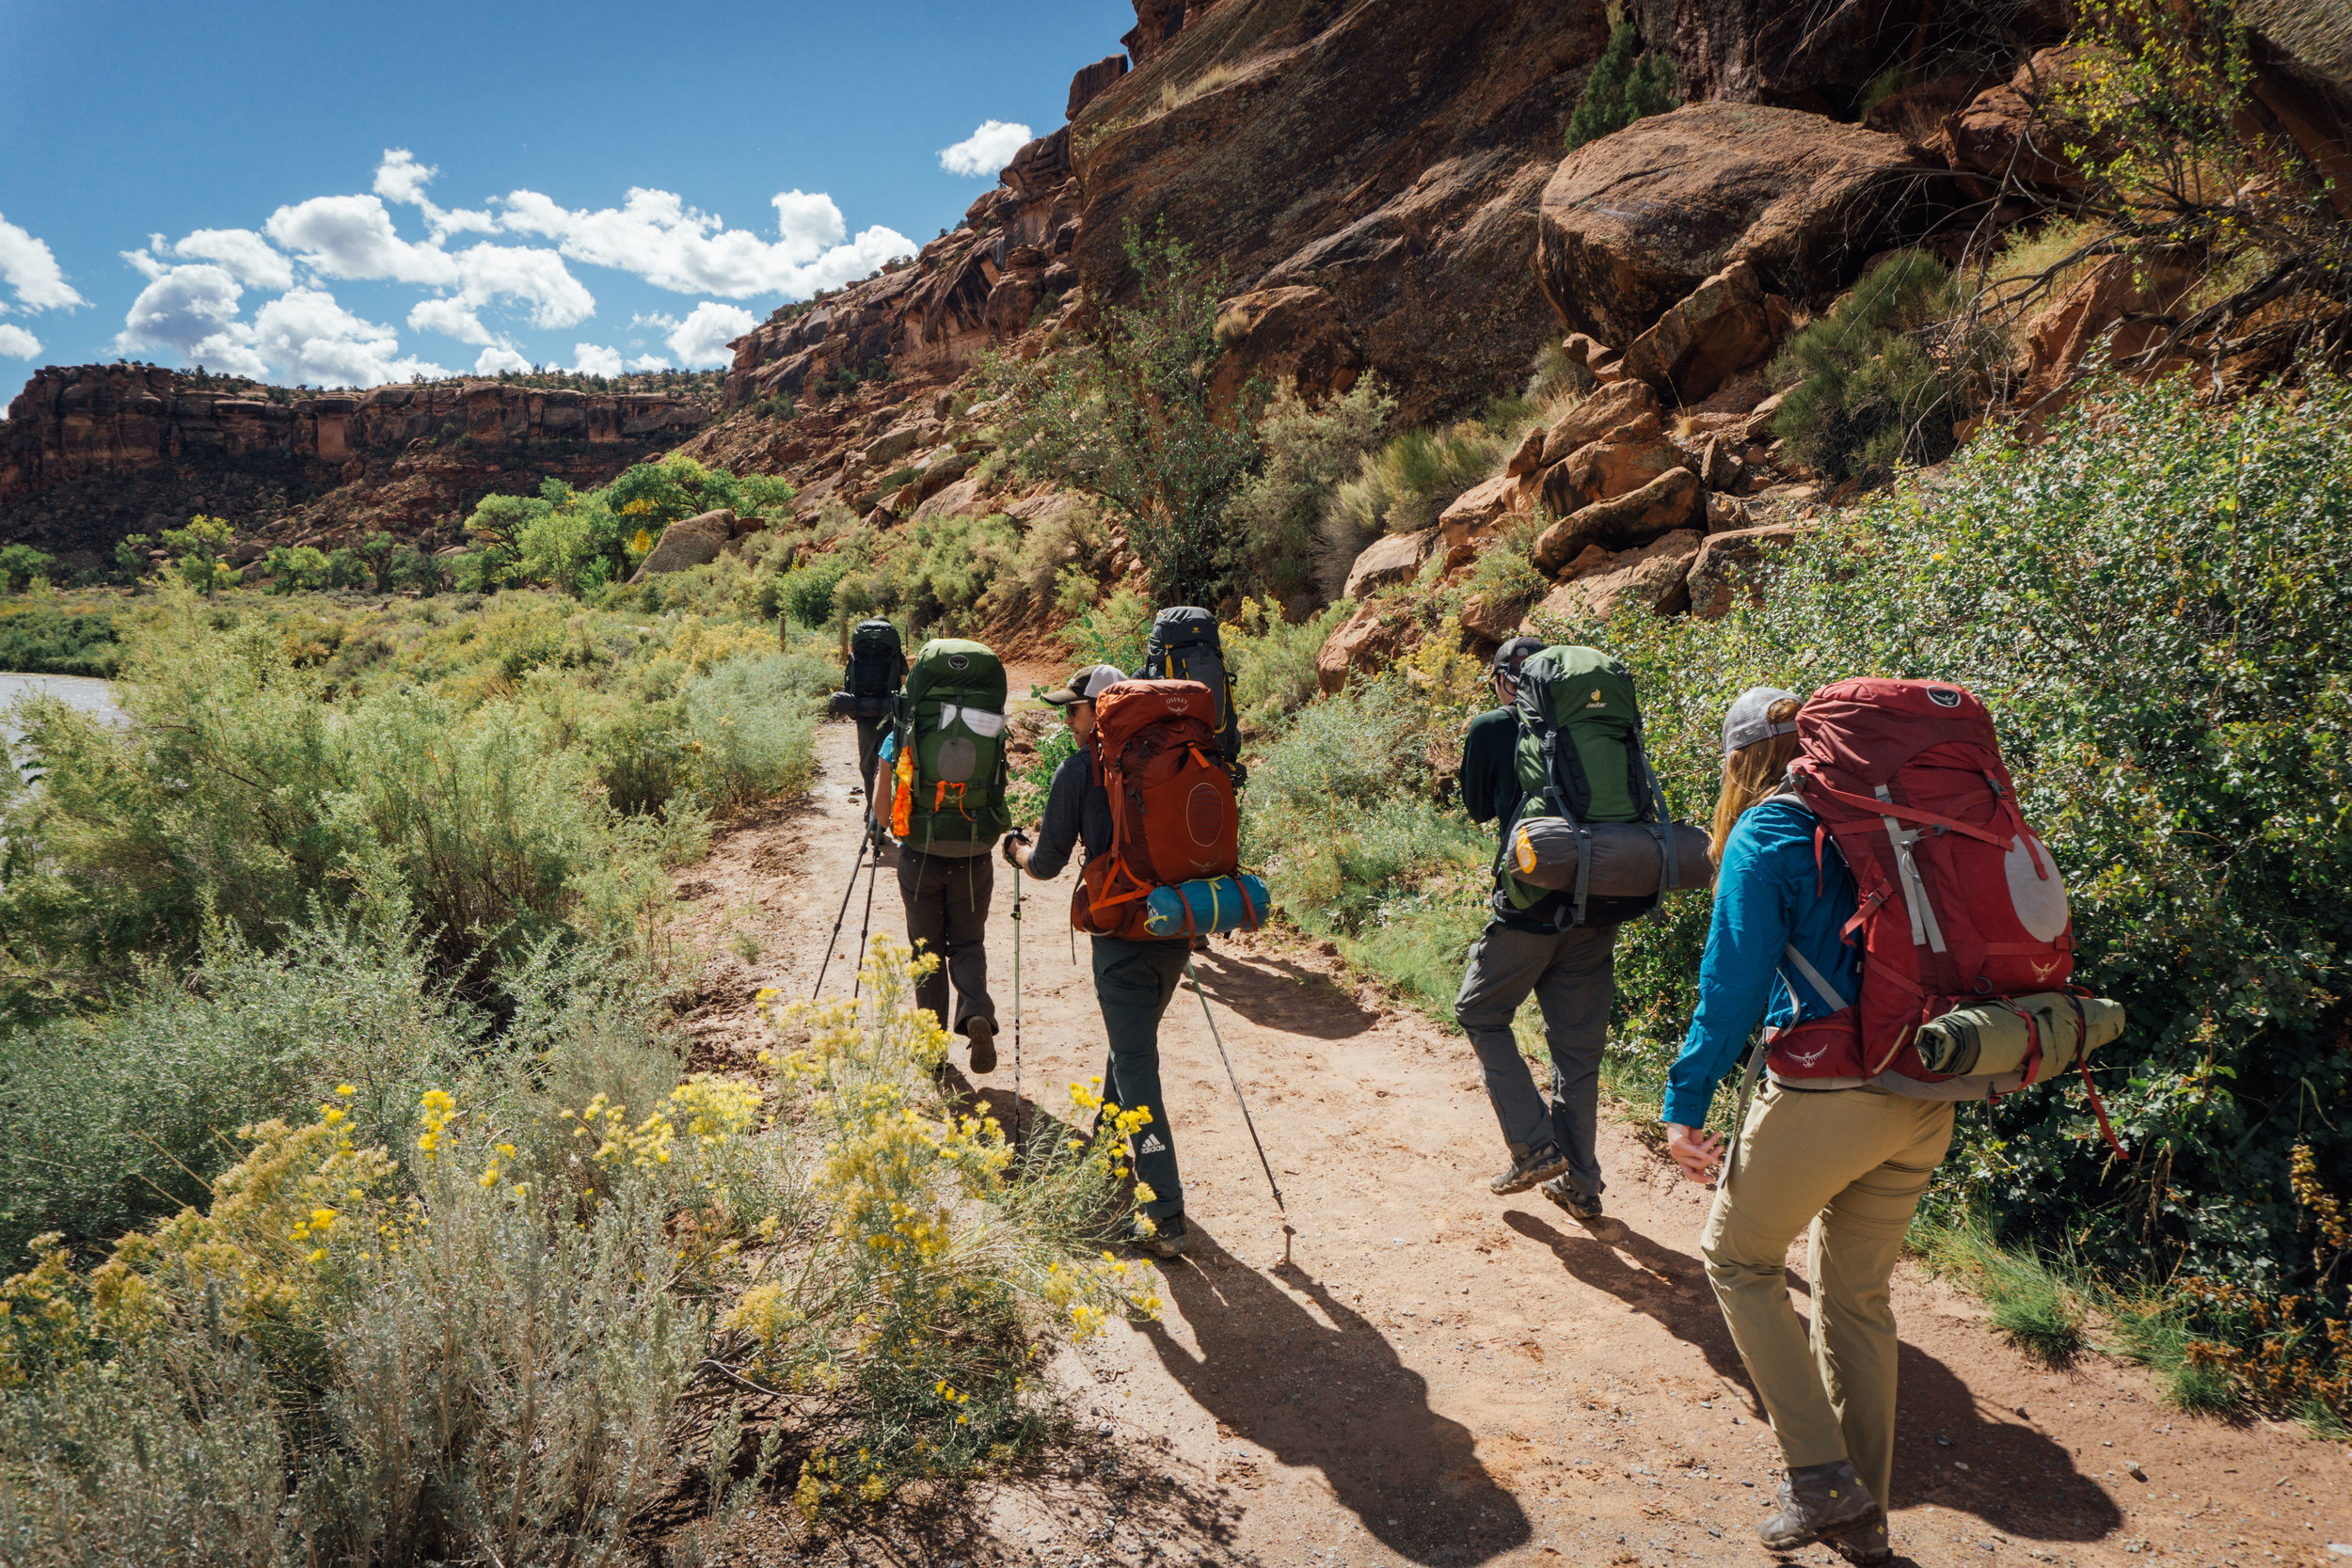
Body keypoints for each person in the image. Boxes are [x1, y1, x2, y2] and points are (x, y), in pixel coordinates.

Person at [1660, 687, 1952, 1567]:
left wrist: (1685, 1104)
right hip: (1930, 1085)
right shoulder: (1895, 814)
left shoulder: (1768, 833)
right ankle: (1862, 1516)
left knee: (1738, 1260)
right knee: (1857, 1299)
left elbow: (1732, 990)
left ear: (1741, 759)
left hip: (1832, 1096)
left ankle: (1821, 1477)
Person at [1005, 663, 1190, 1259]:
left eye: (1073, 709)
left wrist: (1012, 850)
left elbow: (1047, 864)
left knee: (1138, 1063)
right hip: (1179, 923)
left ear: (1100, 712)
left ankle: (1166, 1210)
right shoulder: (1175, 757)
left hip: (1120, 933)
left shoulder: (1081, 770)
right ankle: (1108, 1138)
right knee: (1130, 1037)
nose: (1067, 718)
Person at [1452, 637, 1616, 1221]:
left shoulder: (1494, 725)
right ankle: (1583, 1183)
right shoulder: (1599, 726)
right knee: (1576, 1052)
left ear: (1503, 681)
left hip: (1530, 905)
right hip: (1601, 900)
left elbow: (1474, 806)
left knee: (1480, 1010)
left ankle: (1533, 1145)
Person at [873, 729, 1000, 1075]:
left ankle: (932, 1047)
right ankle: (976, 1011)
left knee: (926, 950)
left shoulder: (901, 733)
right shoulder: (984, 727)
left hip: (920, 859)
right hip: (974, 856)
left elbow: (883, 816)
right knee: (968, 943)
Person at [1458, 635, 1543, 826]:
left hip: (1531, 850)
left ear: (1502, 679)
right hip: (1611, 844)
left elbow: (1479, 810)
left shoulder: (1490, 725)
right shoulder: (1578, 714)